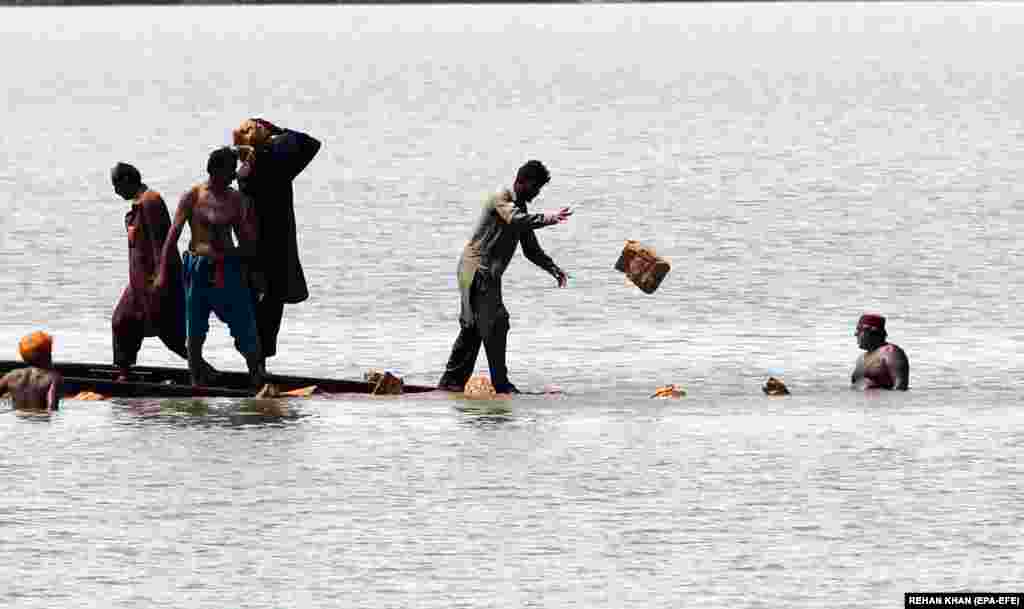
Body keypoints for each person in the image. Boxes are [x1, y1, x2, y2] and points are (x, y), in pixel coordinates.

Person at [438, 160, 572, 394]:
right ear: (520, 182)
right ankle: (501, 385)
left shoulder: (520, 207)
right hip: (476, 269)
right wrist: (550, 218)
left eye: (539, 189)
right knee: (496, 322)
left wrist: (553, 269)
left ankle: (452, 382)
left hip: (487, 274)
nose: (536, 193)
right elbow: (516, 220)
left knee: (474, 328)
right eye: (534, 187)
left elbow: (530, 248)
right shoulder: (502, 197)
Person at [156, 147, 263, 388]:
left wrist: (253, 271)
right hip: (198, 269)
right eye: (228, 170)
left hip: (229, 269)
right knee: (194, 331)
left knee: (245, 326)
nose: (233, 175)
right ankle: (196, 382)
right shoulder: (193, 196)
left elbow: (245, 239)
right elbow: (173, 235)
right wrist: (163, 272)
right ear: (214, 170)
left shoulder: (236, 199)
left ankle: (257, 379)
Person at [233, 118, 321, 374]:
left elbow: (309, 144)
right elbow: (309, 142)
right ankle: (257, 368)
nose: (256, 129)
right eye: (251, 128)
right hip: (265, 249)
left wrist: (269, 135)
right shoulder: (269, 163)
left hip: (265, 247)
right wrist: (276, 132)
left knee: (265, 310)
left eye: (255, 126)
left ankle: (257, 367)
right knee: (265, 310)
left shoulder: (261, 163)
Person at [110, 162, 203, 382]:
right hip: (138, 282)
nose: (115, 191)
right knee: (123, 321)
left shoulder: (150, 202)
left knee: (169, 333)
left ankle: (204, 372)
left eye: (116, 185)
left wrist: (161, 278)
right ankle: (124, 372)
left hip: (155, 280)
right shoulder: (139, 203)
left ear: (126, 180)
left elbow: (161, 243)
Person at [0, 331, 62, 411]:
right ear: (47, 355)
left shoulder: (11, 376)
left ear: (23, 356)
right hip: (40, 421)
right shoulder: (53, 378)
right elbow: (52, 408)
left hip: (19, 420)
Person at [851, 313, 909, 390]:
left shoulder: (890, 352)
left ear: (872, 331)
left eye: (859, 330)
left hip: (880, 401)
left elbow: (900, 387)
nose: (855, 334)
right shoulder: (861, 358)